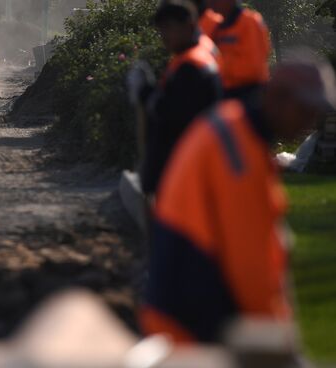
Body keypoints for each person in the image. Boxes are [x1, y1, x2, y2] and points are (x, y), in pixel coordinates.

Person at [141, 52, 336, 344]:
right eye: (307, 110)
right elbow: (250, 265)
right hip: (193, 328)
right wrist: (277, 343)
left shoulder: (235, 130)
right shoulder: (237, 155)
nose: (311, 122)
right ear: (278, 98)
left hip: (194, 310)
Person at [132, 0, 222, 197]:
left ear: (189, 26)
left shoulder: (193, 65)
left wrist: (145, 93)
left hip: (185, 169)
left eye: (168, 28)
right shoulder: (192, 55)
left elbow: (174, 114)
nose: (163, 35)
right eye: (160, 29)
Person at [207, 0, 271, 98]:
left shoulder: (250, 22)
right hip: (225, 92)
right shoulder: (217, 26)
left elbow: (254, 67)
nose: (211, 3)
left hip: (250, 93)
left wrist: (219, 69)